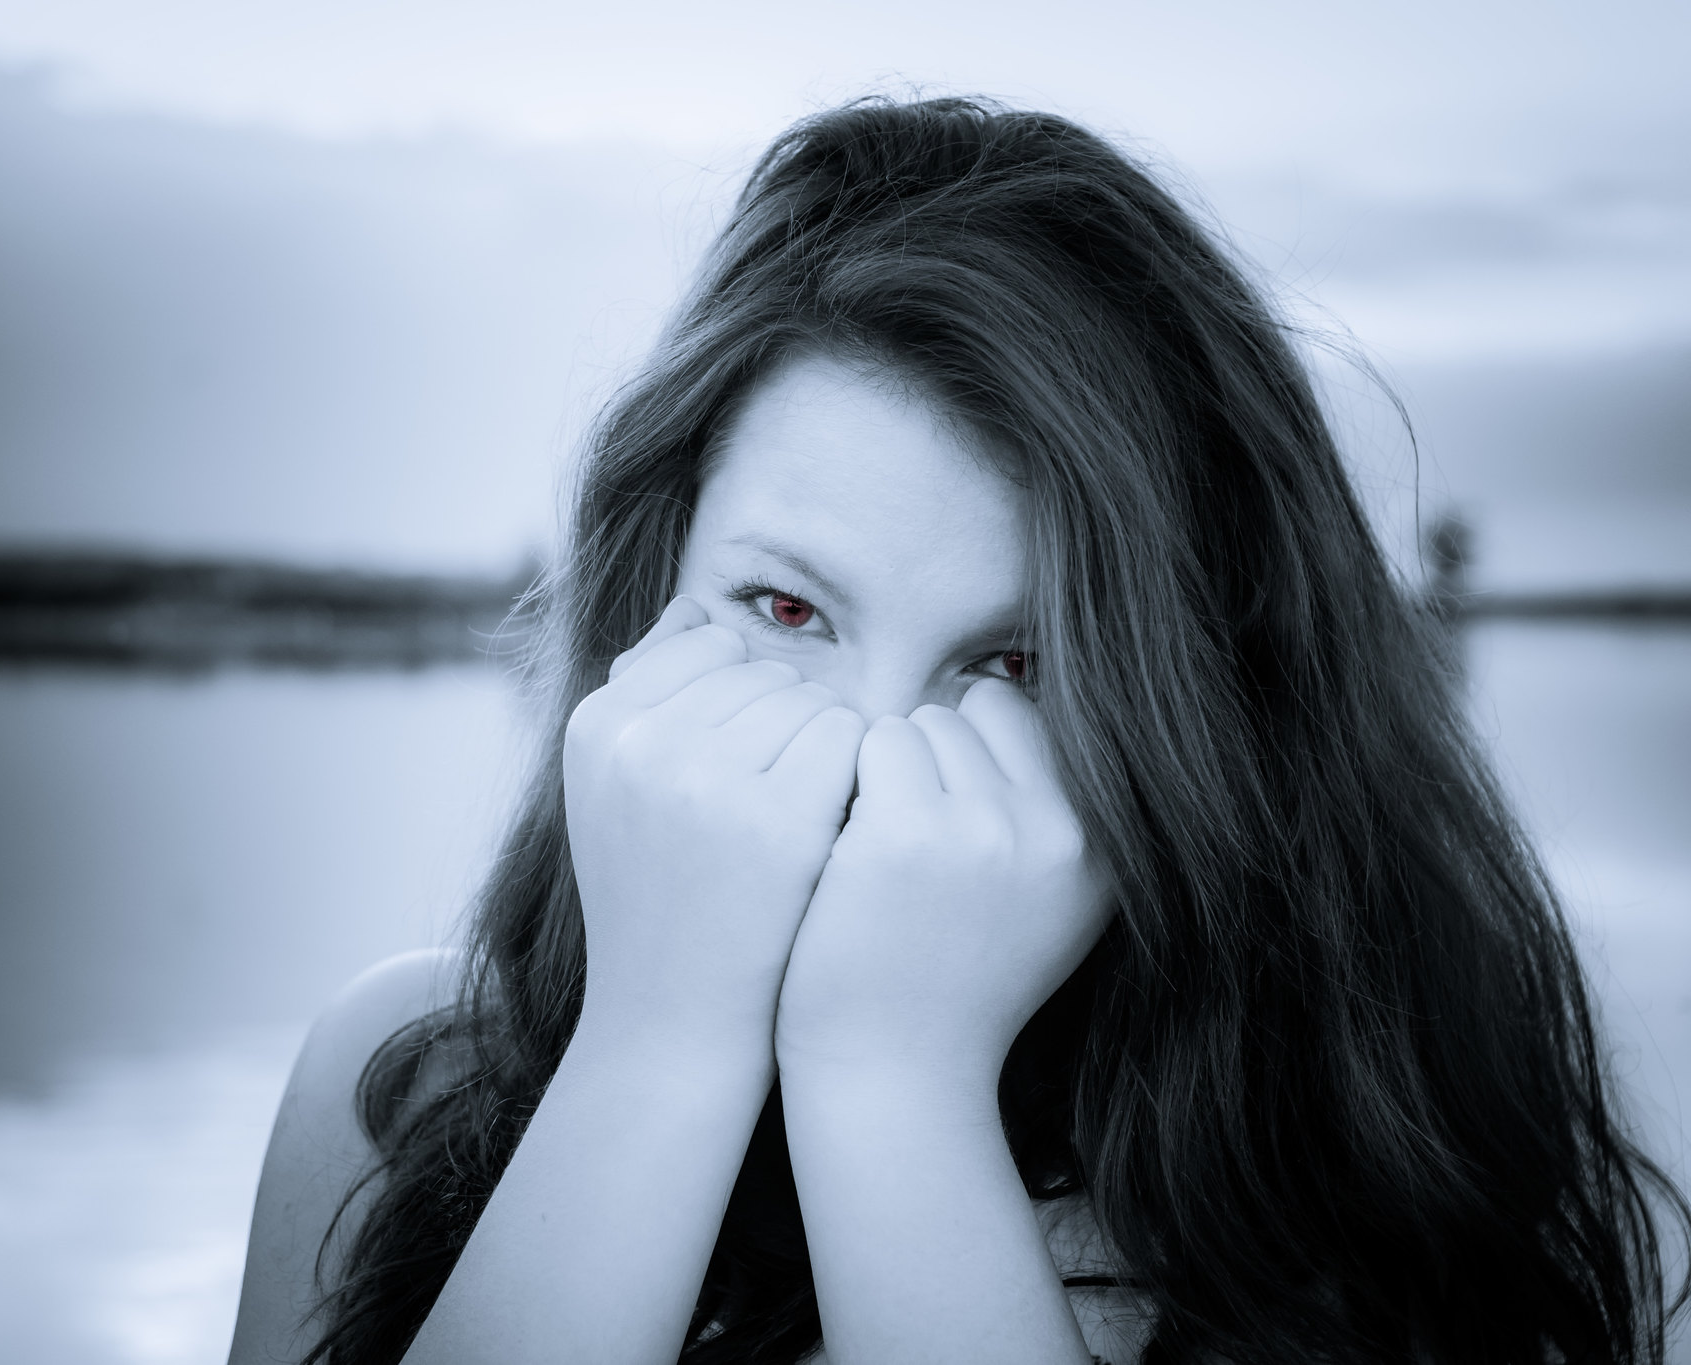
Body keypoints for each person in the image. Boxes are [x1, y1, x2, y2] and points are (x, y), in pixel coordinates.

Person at [228, 98, 1689, 1365]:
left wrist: (894, 1079)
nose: (874, 757)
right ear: (650, 581)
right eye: (787, 609)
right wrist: (656, 1043)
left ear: (1195, 703)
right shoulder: (416, 1077)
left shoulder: (1368, 1183)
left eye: (1012, 660)